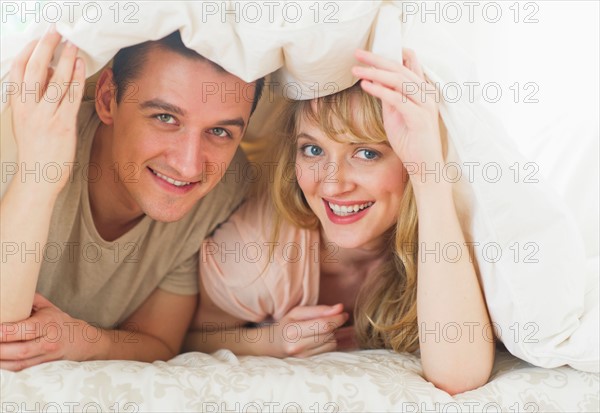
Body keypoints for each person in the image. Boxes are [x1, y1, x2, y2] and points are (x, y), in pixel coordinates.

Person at [185, 49, 494, 395]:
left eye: (366, 153)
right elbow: (190, 339)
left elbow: (459, 374)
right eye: (313, 150)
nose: (332, 184)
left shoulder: (460, 234)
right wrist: (267, 342)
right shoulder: (256, 251)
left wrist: (428, 173)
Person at [0, 27, 264, 371]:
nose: (188, 165)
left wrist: (83, 341)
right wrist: (39, 178)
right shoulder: (19, 145)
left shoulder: (226, 186)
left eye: (219, 132)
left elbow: (160, 341)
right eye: (165, 118)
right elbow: (6, 339)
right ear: (109, 99)